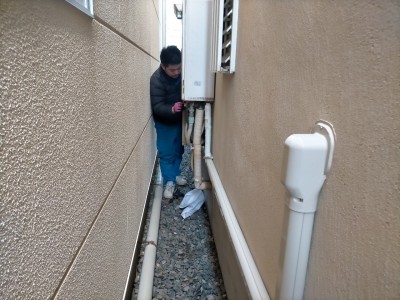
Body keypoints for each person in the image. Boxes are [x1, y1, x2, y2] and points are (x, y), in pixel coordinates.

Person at [150, 46, 187, 199]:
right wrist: (171, 109)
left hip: (180, 119)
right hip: (164, 122)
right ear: (163, 66)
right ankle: (169, 182)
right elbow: (157, 106)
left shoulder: (184, 73)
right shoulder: (156, 79)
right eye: (173, 70)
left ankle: (176, 174)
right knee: (166, 152)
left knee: (179, 149)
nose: (177, 72)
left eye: (179, 68)